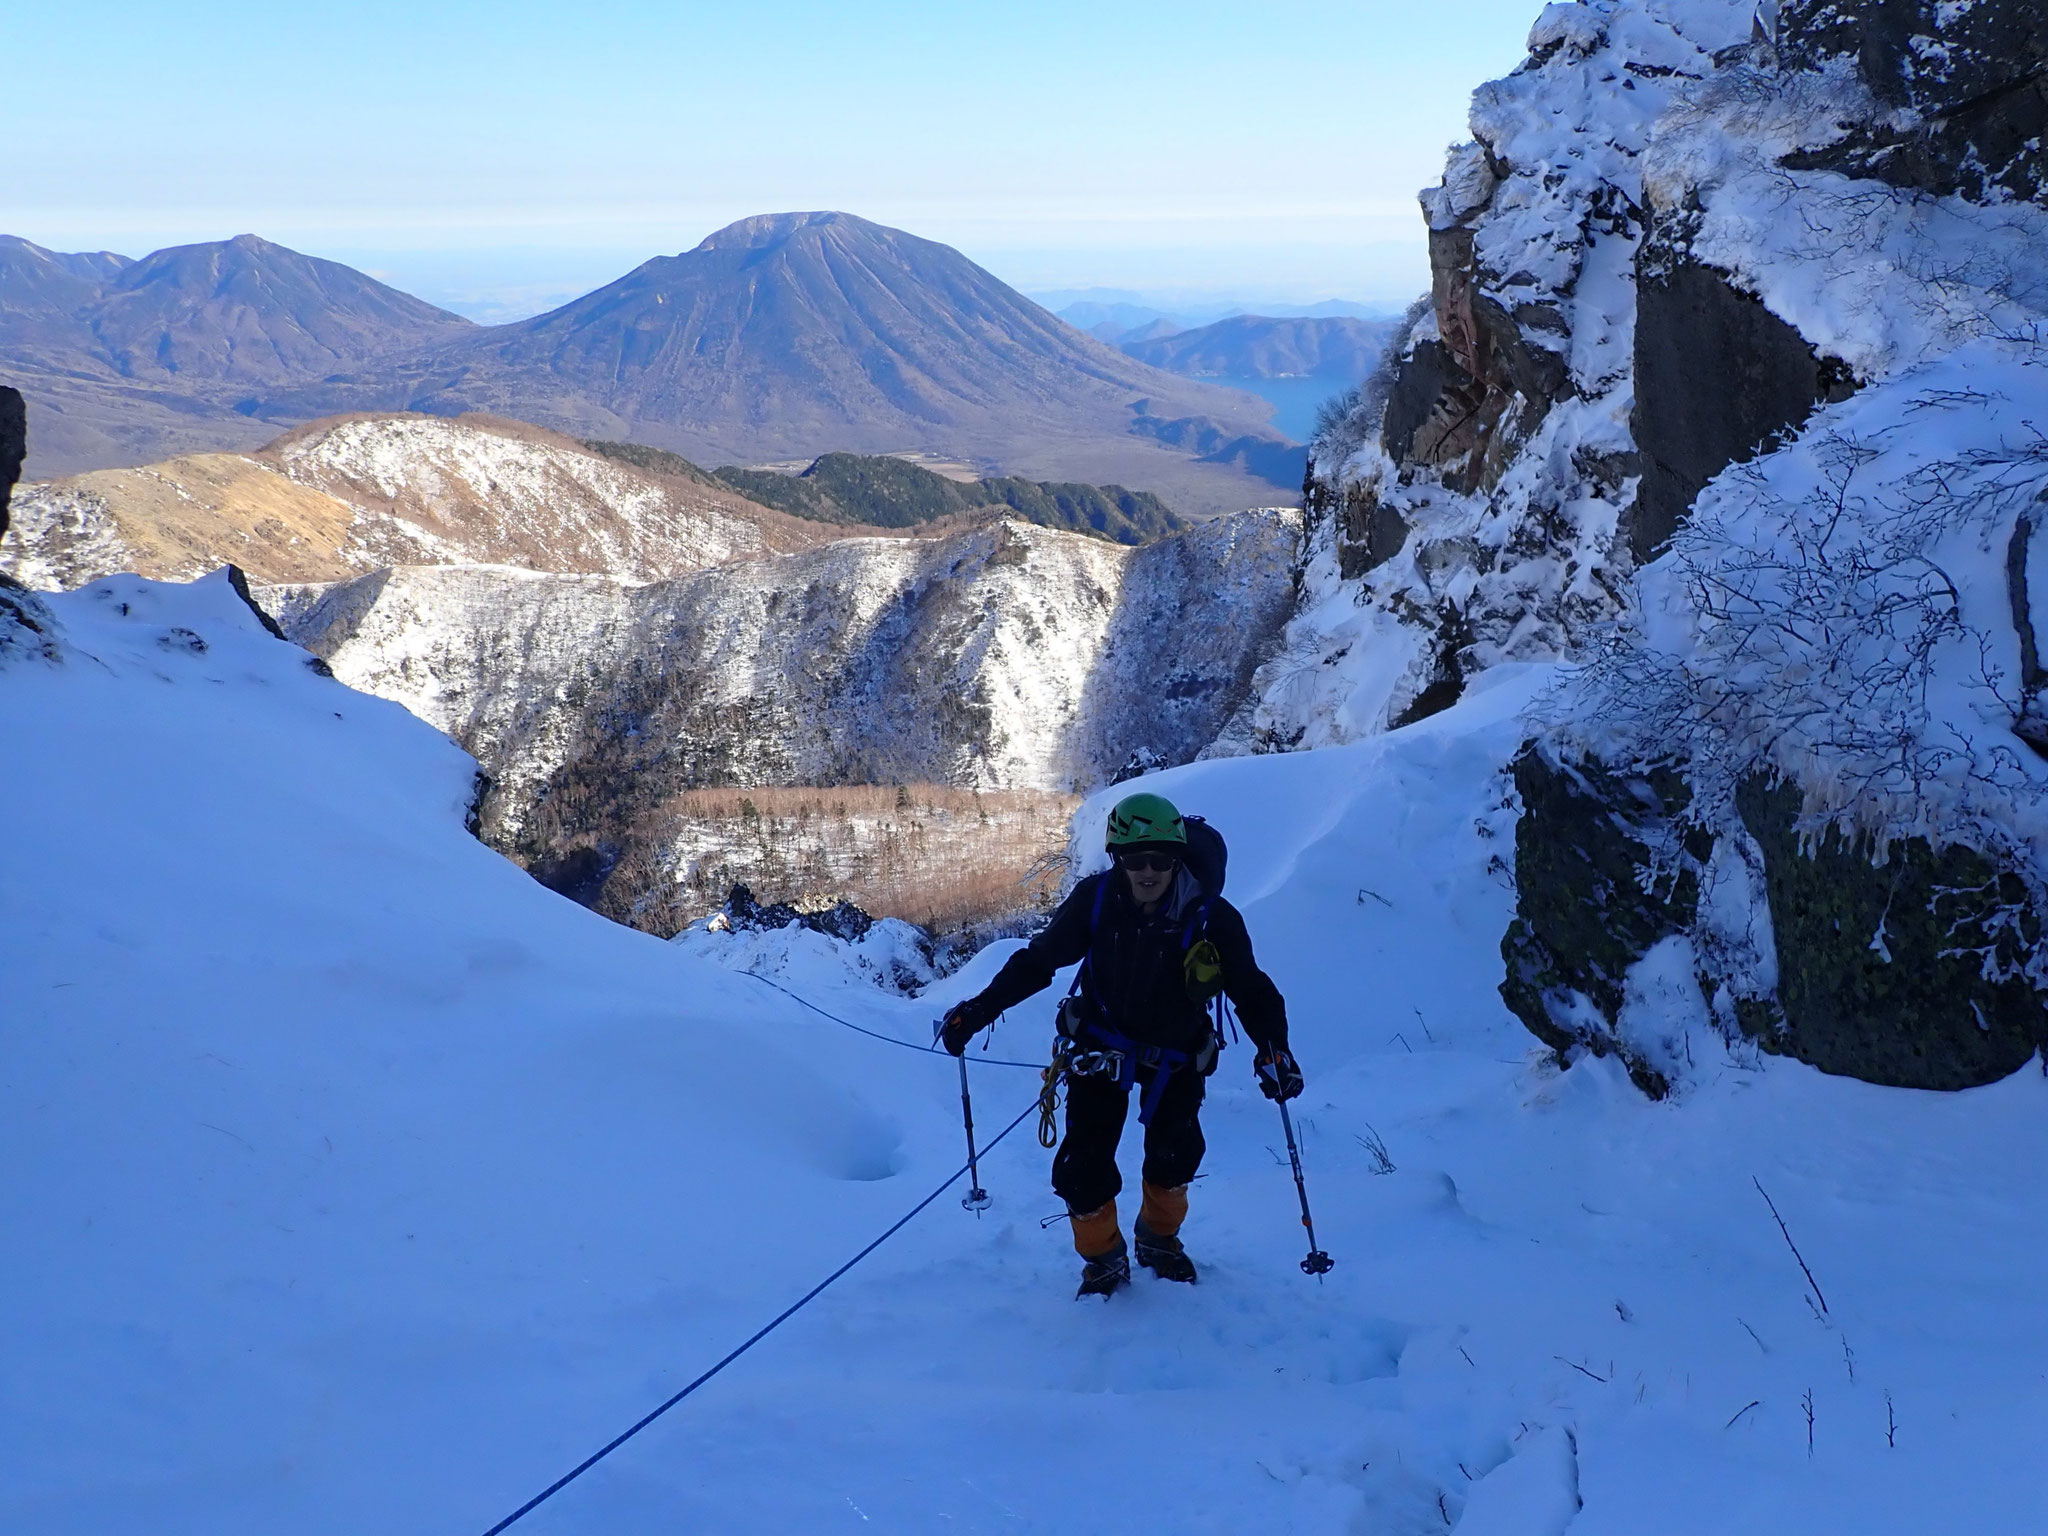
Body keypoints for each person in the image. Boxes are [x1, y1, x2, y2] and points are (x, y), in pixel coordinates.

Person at [939, 792, 1303, 1297]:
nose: (1149, 872)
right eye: (1136, 860)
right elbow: (1040, 961)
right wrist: (980, 1009)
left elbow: (1250, 988)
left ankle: (1158, 1241)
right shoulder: (1096, 901)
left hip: (1177, 1053)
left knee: (1175, 1157)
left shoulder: (1212, 917)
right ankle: (1103, 1259)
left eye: (1161, 860)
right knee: (1081, 1167)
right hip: (1099, 1048)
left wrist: (1274, 1049)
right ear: (1118, 860)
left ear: (1178, 859)